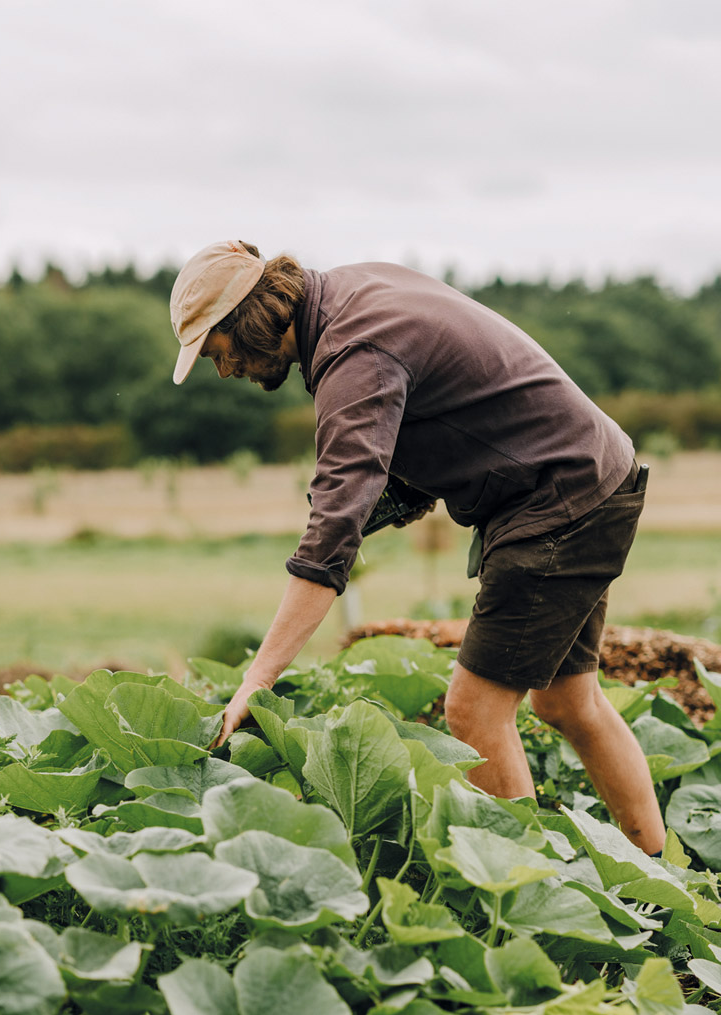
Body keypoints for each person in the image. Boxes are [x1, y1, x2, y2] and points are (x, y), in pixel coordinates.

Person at [169, 239, 666, 855]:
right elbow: (418, 427)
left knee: (474, 714)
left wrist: (258, 679)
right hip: (590, 475)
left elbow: (330, 541)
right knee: (568, 700)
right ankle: (655, 873)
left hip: (556, 500)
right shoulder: (350, 292)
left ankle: (526, 893)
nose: (225, 371)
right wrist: (354, 509)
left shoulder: (353, 354)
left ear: (245, 322)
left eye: (219, 353)